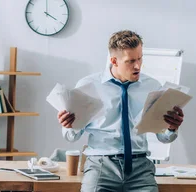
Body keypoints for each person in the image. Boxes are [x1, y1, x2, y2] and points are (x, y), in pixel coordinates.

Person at [58, 30, 185, 192]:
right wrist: (68, 125)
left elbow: (164, 138)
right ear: (114, 61)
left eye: (140, 58)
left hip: (140, 168)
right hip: (101, 166)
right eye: (130, 61)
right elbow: (72, 136)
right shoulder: (88, 86)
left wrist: (172, 127)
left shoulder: (152, 87)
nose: (137, 65)